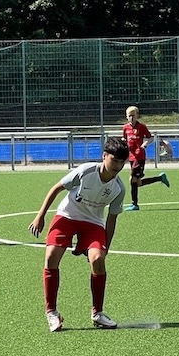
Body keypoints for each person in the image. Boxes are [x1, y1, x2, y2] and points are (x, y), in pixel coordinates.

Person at [29, 137, 129, 332]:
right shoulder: (85, 171)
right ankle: (52, 313)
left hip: (93, 223)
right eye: (114, 160)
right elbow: (56, 189)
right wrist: (40, 216)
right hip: (67, 216)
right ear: (104, 156)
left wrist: (105, 247)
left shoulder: (119, 188)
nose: (117, 166)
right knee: (51, 256)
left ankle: (98, 313)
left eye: (121, 162)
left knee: (98, 259)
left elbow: (111, 220)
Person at [121, 106, 169, 211]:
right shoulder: (125, 128)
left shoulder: (142, 127)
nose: (131, 117)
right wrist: (123, 143)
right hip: (131, 157)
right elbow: (124, 139)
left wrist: (145, 143)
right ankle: (160, 178)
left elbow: (150, 137)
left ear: (137, 116)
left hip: (139, 157)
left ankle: (135, 204)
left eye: (133, 115)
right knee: (137, 183)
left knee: (132, 179)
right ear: (126, 116)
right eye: (129, 116)